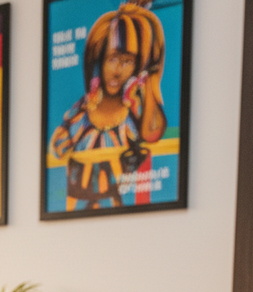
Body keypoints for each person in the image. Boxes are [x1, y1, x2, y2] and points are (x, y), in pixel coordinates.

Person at [49, 2, 167, 211]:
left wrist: (151, 82)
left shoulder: (134, 113)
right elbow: (57, 148)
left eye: (127, 61)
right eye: (112, 59)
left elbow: (153, 133)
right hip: (74, 211)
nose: (117, 70)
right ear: (99, 60)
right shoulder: (82, 112)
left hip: (117, 211)